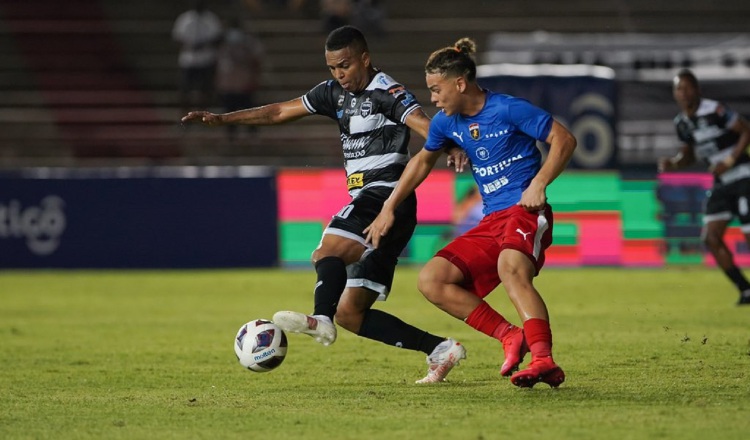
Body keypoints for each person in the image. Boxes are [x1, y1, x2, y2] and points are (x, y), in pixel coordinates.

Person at [182, 26, 468, 383]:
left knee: (326, 252)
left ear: (364, 58)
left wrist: (452, 146)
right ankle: (441, 349)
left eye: (345, 65)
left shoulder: (386, 91)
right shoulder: (332, 93)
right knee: (353, 312)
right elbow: (277, 113)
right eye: (333, 68)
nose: (339, 74)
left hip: (384, 195)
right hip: (389, 208)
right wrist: (224, 118)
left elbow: (422, 122)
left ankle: (321, 320)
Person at [365, 37, 577, 388]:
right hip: (492, 221)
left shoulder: (508, 109)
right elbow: (422, 162)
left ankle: (544, 359)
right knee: (431, 279)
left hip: (525, 211)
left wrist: (539, 183)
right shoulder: (446, 124)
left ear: (460, 83)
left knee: (510, 269)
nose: (432, 99)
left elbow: (564, 139)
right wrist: (389, 206)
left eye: (436, 89)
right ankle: (511, 336)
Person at [658, 69, 750, 306]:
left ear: (697, 90)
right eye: (679, 89)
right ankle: (745, 289)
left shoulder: (714, 110)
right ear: (675, 94)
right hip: (721, 183)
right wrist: (674, 163)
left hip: (743, 176)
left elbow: (746, 130)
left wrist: (729, 161)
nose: (684, 93)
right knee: (710, 237)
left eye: (688, 87)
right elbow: (689, 156)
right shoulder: (682, 124)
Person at [215, 18, 265, 140]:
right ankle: (231, 135)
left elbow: (256, 61)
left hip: (244, 82)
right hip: (229, 83)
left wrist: (254, 78)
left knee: (249, 111)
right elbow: (219, 64)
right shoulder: (223, 44)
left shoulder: (249, 43)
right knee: (229, 111)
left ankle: (252, 134)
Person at [172, 0, 224, 115]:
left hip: (206, 59)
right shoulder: (184, 18)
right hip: (188, 59)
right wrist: (189, 45)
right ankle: (184, 116)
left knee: (205, 90)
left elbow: (218, 37)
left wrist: (204, 45)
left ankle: (203, 115)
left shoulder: (211, 19)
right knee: (185, 89)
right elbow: (177, 37)